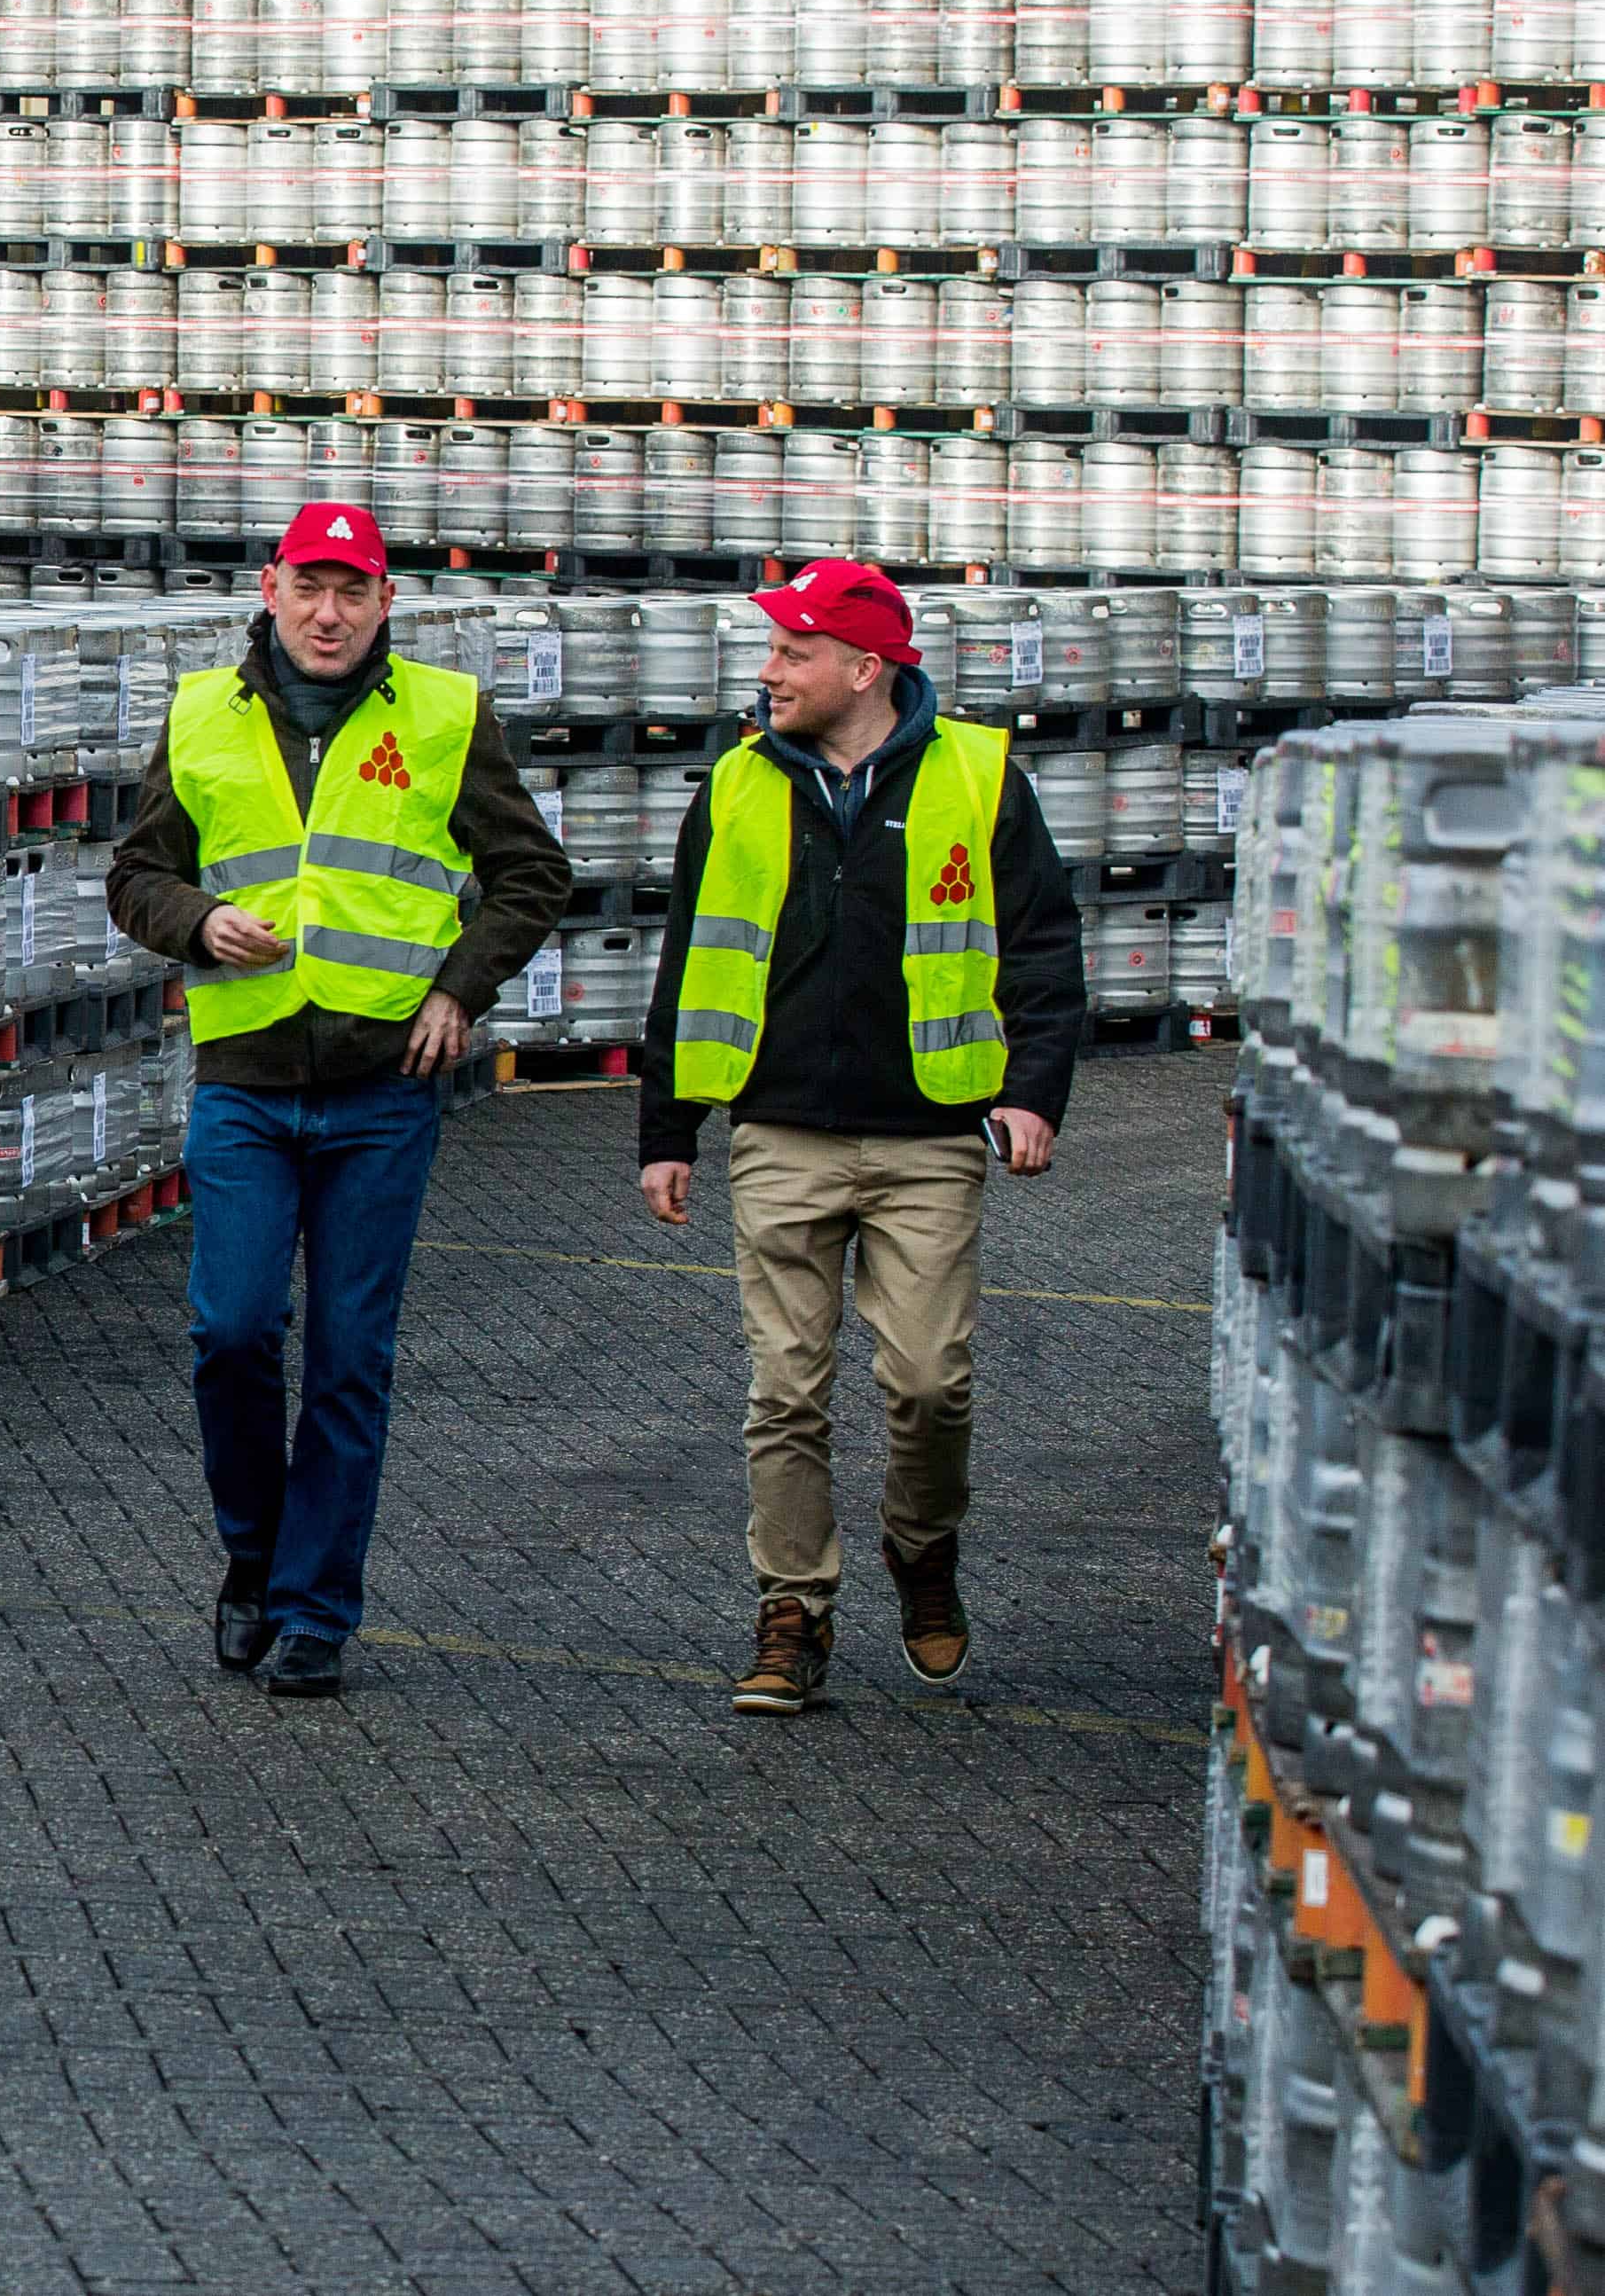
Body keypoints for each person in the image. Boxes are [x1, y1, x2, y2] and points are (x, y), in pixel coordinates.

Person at [106, 503, 573, 1699]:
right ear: (270, 589)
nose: (329, 614)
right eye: (310, 588)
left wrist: (461, 988)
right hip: (247, 1083)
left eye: (352, 591)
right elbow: (137, 875)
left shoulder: (446, 716)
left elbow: (532, 874)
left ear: (385, 603)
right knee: (232, 1331)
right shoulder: (202, 714)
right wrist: (198, 920)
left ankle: (316, 1610)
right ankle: (254, 1558)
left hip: (383, 1089)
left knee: (350, 1358)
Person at [633, 560, 1082, 1718]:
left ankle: (921, 1547)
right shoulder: (736, 783)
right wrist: (667, 1129)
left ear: (864, 669)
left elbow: (1042, 945)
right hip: (779, 1131)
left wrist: (1034, 1090)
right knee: (784, 1392)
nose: (770, 671)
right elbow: (688, 960)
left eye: (794, 652)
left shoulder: (979, 777)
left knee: (930, 1384)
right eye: (773, 651)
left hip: (929, 1136)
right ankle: (793, 1610)